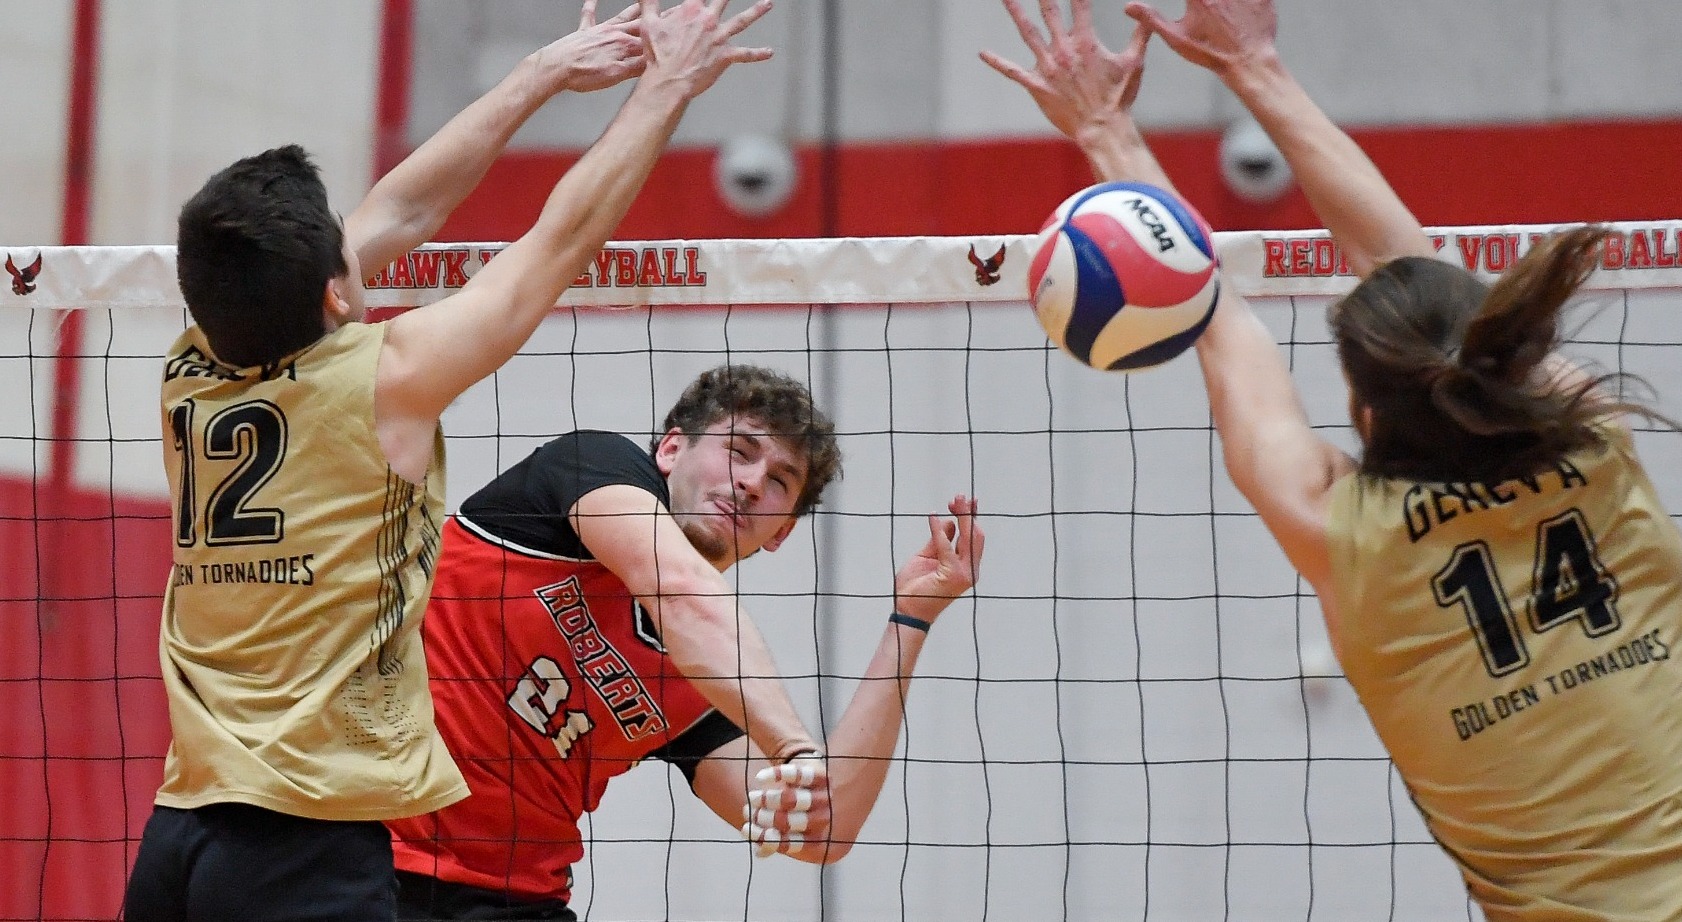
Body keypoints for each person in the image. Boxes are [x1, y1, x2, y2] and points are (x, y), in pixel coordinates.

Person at [986, 0, 1682, 919]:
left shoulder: (1344, 532)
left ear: (1358, 409)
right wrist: (1257, 67)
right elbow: (1414, 268)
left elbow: (1211, 316)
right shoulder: (1591, 438)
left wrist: (1106, 131)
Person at [123, 2, 782, 919]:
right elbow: (559, 243)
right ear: (338, 295)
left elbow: (407, 208)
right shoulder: (386, 379)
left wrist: (546, 71)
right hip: (307, 839)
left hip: (182, 827)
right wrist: (664, 88)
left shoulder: (192, 358)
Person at [387, 363, 985, 918]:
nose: (751, 483)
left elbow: (820, 832)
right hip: (361, 849)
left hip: (513, 900)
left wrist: (911, 621)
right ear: (670, 449)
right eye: (739, 452)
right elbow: (678, 591)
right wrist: (796, 750)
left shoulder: (707, 678)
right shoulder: (590, 469)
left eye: (779, 481)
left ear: (781, 532)